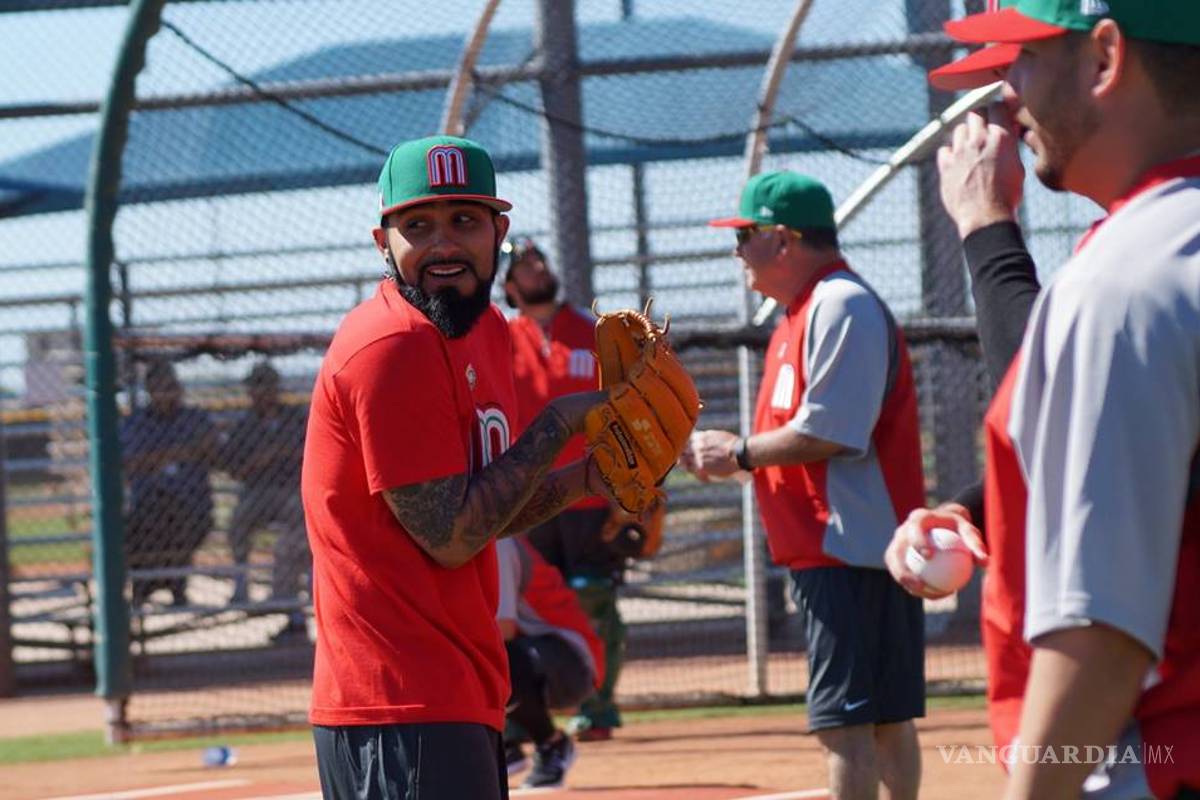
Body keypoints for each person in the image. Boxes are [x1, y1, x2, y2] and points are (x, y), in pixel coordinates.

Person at [887, 3, 1200, 797]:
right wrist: (977, 506)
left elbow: (1101, 636)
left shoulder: (1130, 278)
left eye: (1023, 59)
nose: (1006, 94)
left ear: (1105, 56)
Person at [301, 135, 614, 800]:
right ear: (382, 243)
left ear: (498, 233)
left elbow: (481, 511)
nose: (444, 244)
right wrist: (562, 421)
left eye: (464, 220)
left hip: (453, 687)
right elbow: (448, 535)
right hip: (399, 698)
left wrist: (584, 479)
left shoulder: (486, 331)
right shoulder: (393, 344)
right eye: (418, 226)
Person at [682, 171, 927, 800]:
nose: (737, 251)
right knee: (880, 720)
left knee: (848, 724)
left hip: (846, 548)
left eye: (745, 237)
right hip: (846, 547)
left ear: (784, 239)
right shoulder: (804, 312)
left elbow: (832, 432)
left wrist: (737, 452)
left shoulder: (839, 304)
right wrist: (734, 457)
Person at [505, 237, 641, 741]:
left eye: (540, 260)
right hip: (526, 500)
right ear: (509, 285)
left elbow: (631, 408)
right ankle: (525, 713)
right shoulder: (501, 339)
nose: (537, 269)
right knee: (526, 605)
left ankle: (597, 706)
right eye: (525, 266)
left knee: (592, 595)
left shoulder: (593, 333)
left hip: (591, 491)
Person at [496, 535, 604, 790]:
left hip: (573, 663)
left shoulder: (497, 544)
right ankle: (504, 746)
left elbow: (503, 630)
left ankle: (551, 743)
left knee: (494, 657)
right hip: (538, 651)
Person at [222, 361, 309, 637]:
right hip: (257, 490)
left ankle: (285, 597)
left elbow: (309, 454)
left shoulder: (295, 417)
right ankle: (240, 584)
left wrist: (284, 452)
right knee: (237, 522)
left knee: (292, 537)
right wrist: (260, 460)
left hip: (292, 490)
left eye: (266, 385)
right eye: (256, 386)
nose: (261, 392)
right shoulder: (245, 424)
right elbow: (232, 468)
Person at [122, 359, 219, 608]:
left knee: (182, 524)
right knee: (140, 527)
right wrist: (181, 452)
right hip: (148, 503)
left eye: (170, 387)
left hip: (190, 502)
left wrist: (158, 456)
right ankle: (143, 587)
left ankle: (176, 586)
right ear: (150, 391)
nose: (166, 394)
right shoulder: (138, 420)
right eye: (159, 389)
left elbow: (210, 448)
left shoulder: (193, 417)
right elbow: (132, 461)